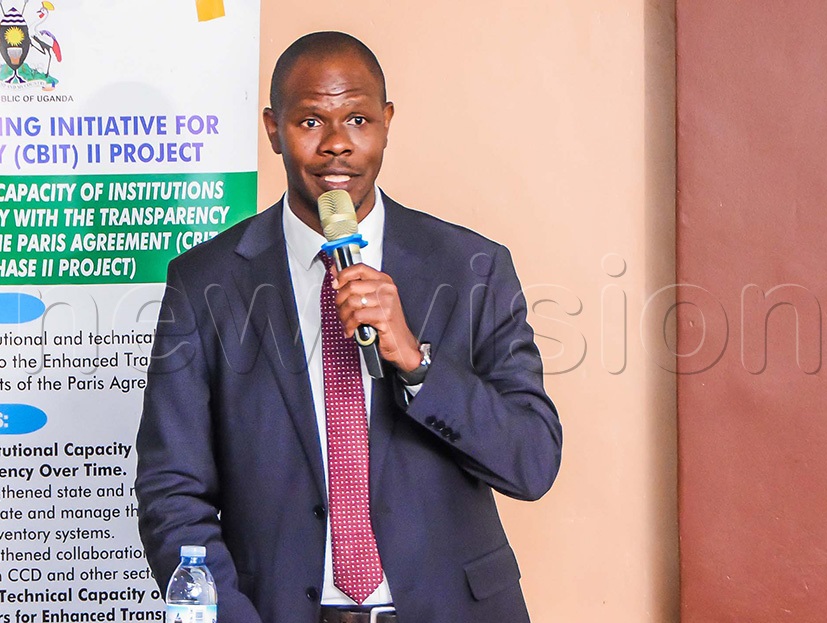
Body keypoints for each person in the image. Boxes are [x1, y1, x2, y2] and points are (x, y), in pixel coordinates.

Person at [135, 31, 562, 623]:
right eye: (311, 121)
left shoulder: (472, 268)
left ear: (387, 124)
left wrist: (416, 363)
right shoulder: (206, 283)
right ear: (273, 129)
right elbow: (172, 491)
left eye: (358, 120)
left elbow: (532, 462)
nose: (337, 143)